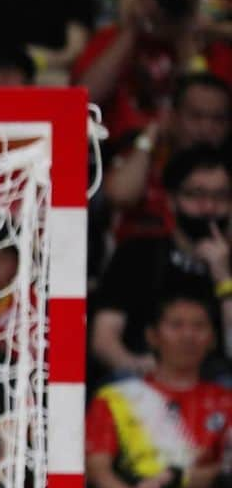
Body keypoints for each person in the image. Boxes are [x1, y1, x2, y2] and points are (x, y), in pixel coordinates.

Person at [86, 290, 232, 488]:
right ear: (152, 336)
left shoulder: (226, 401)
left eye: (199, 326)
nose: (188, 336)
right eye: (176, 325)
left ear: (213, 339)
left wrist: (175, 481)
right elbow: (98, 469)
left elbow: (225, 471)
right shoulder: (115, 397)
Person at [90, 145, 232, 378]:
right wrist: (139, 368)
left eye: (220, 196)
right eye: (196, 195)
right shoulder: (137, 253)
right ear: (171, 200)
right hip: (145, 378)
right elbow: (104, 340)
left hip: (216, 389)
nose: (209, 207)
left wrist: (224, 278)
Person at [74, 0, 232, 145]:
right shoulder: (110, 40)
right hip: (121, 150)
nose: (174, 1)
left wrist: (186, 42)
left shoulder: (214, 51)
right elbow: (83, 101)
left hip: (190, 160)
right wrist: (133, 29)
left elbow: (208, 110)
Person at [104, 73, 231, 242]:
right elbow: (119, 194)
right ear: (173, 116)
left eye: (218, 119)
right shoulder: (148, 156)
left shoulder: (227, 171)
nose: (206, 128)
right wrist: (151, 133)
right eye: (196, 116)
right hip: (141, 260)